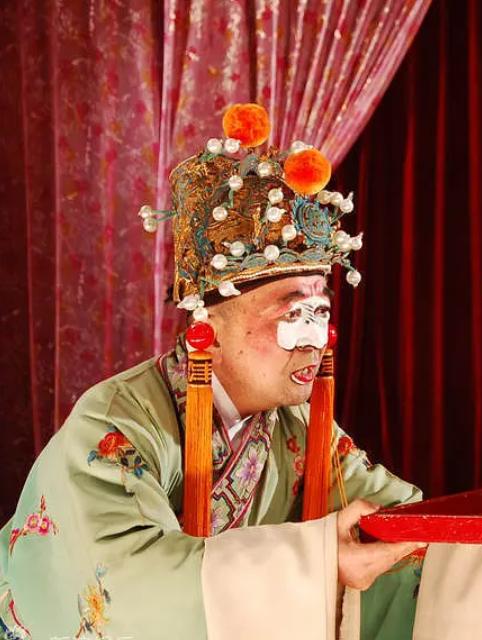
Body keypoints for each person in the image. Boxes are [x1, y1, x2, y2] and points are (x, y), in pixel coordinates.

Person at [0, 103, 423, 640]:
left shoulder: (295, 425)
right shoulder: (114, 425)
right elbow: (128, 585)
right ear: (211, 326)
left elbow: (395, 516)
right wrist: (317, 564)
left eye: (321, 313)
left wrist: (474, 550)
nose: (315, 338)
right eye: (294, 314)